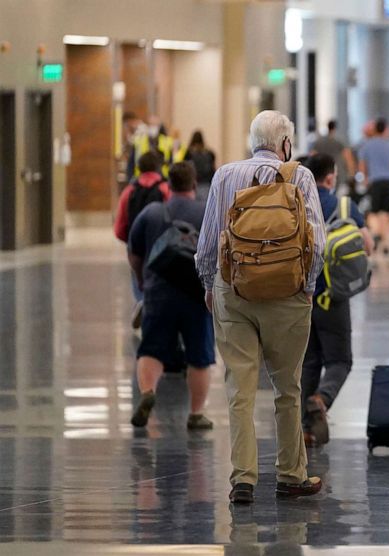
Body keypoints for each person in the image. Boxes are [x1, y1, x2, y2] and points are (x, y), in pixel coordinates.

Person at [195, 110, 326, 504]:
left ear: (253, 140)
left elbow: (206, 244)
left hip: (234, 290)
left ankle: (243, 480)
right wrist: (308, 286)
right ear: (285, 143)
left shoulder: (224, 176)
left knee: (240, 389)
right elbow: (317, 242)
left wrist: (209, 284)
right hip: (287, 294)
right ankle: (290, 474)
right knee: (288, 387)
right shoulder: (299, 176)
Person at [127, 161, 214, 431]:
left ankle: (148, 393)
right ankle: (196, 414)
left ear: (169, 184)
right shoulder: (206, 211)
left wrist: (143, 280)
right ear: (193, 183)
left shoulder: (153, 212)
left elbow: (133, 250)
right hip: (195, 295)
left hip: (158, 292)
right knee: (199, 357)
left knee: (151, 348)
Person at [299, 153, 373, 447]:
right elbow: (367, 245)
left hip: (302, 297)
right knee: (340, 360)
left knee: (309, 362)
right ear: (330, 177)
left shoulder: (297, 204)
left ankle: (306, 430)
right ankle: (322, 398)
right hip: (333, 298)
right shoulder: (344, 205)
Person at [115, 152, 171, 326]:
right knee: (160, 276)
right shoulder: (165, 189)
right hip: (160, 242)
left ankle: (141, 300)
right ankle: (158, 306)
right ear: (158, 168)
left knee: (137, 275)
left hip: (135, 242)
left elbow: (119, 226)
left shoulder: (129, 191)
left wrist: (130, 242)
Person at [358, 118, 389, 253]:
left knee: (374, 211)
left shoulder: (366, 146)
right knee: (387, 212)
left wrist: (364, 180)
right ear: (385, 129)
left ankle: (376, 235)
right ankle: (386, 242)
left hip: (374, 182)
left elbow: (362, 165)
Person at [310, 119, 356, 191]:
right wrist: (351, 175)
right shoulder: (340, 141)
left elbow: (312, 156)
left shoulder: (319, 142)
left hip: (322, 174)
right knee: (341, 197)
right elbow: (348, 157)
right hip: (338, 174)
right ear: (335, 128)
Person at [186, 131, 216, 200]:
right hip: (207, 183)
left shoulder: (188, 153)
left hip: (194, 184)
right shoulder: (209, 153)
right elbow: (213, 169)